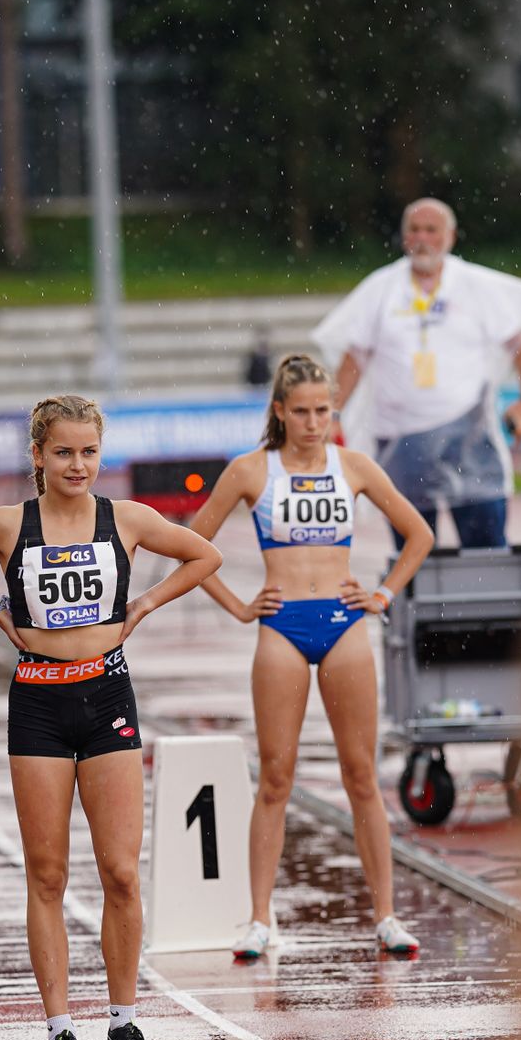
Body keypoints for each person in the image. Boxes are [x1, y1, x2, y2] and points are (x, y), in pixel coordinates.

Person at [0, 394, 221, 1040]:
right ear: (38, 457)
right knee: (47, 875)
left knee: (120, 873)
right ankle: (59, 1029)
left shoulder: (127, 520)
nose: (76, 465)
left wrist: (141, 606)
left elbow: (204, 557)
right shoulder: (6, 525)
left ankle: (124, 1023)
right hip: (39, 705)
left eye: (87, 452)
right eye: (63, 452)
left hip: (107, 692)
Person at [189, 352, 433, 962]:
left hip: (344, 622)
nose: (314, 422)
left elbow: (419, 534)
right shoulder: (251, 471)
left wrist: (380, 595)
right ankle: (258, 920)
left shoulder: (353, 466)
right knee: (275, 777)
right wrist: (240, 607)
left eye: (324, 411)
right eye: (301, 412)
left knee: (361, 776)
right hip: (282, 629)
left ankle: (386, 916)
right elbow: (190, 549)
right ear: (279, 411)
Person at [315, 198, 521, 548]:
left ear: (451, 237)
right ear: (403, 236)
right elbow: (355, 359)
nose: (422, 238)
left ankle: (482, 603)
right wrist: (331, 413)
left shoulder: (476, 285)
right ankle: (423, 605)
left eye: (431, 230)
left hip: (467, 437)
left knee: (485, 545)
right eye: (414, 229)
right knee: (413, 551)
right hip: (399, 439)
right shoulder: (381, 288)